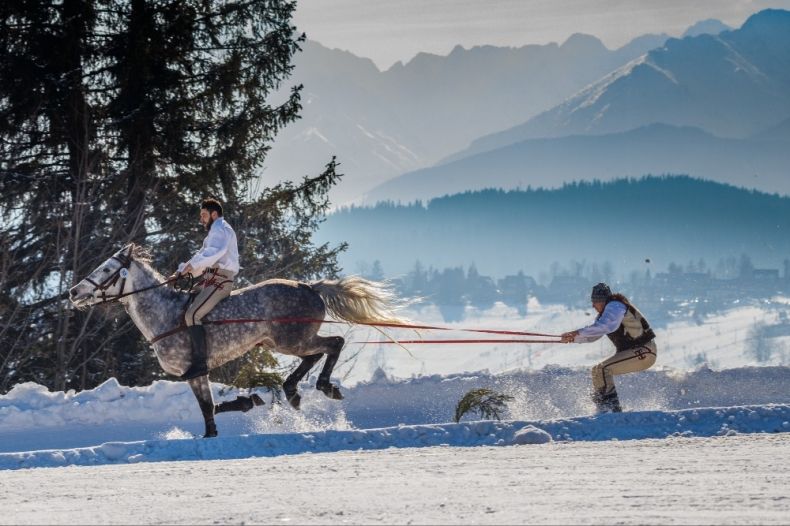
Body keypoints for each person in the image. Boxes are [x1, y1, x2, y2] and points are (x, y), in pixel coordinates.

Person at [560, 282, 657, 413]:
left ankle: (611, 409)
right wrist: (574, 338)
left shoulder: (615, 305)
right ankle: (603, 407)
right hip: (637, 353)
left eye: (595, 301)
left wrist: (577, 333)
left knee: (603, 369)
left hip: (645, 350)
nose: (593, 305)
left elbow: (606, 326)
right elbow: (594, 335)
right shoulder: (607, 312)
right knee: (597, 371)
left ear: (602, 300)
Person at [171, 198, 240, 379]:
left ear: (214, 214)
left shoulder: (220, 228)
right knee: (185, 304)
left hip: (221, 281)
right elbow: (202, 256)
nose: (201, 219)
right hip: (211, 278)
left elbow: (211, 254)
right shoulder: (214, 232)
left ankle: (201, 364)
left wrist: (187, 268)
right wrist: (181, 272)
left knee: (192, 315)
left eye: (203, 215)